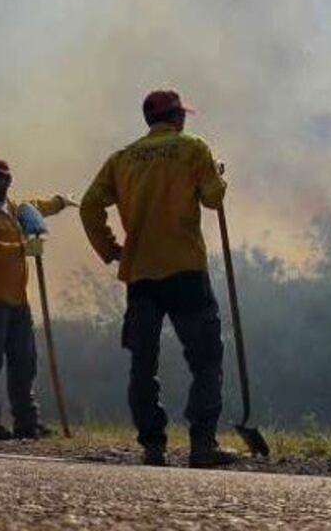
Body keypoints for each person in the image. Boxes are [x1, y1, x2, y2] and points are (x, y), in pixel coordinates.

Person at [80, 89, 237, 468]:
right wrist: (216, 177)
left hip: (141, 274)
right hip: (184, 269)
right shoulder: (192, 147)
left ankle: (153, 446)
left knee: (143, 363)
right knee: (205, 359)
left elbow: (88, 206)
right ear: (178, 117)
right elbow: (213, 199)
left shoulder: (122, 158)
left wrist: (111, 249)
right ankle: (202, 444)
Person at [0, 159, 76, 441]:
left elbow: (38, 207)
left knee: (25, 361)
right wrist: (22, 249)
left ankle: (27, 422)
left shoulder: (15, 208)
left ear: (8, 181)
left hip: (17, 298)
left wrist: (60, 201)